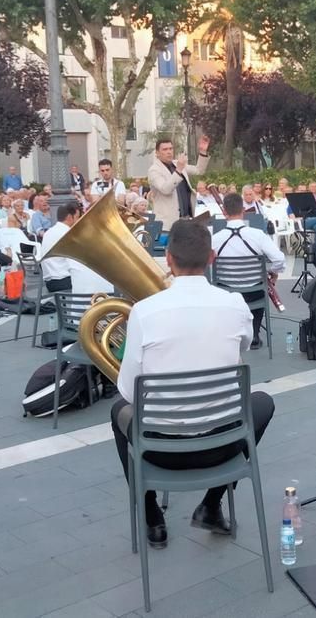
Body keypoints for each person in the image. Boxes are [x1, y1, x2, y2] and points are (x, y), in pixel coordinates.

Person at [112, 220, 275, 549]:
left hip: (160, 451)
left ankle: (150, 515)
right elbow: (242, 346)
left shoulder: (143, 311)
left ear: (168, 259)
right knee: (263, 402)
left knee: (118, 410)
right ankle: (212, 504)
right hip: (223, 444)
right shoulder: (235, 305)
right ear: (212, 257)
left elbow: (129, 392)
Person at [211, 193, 285, 350]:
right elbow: (279, 259)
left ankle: (230, 335)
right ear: (243, 210)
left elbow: (205, 263)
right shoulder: (257, 235)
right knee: (260, 285)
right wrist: (273, 271)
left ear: (224, 212)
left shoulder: (215, 238)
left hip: (226, 290)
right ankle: (255, 335)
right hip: (254, 290)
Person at [148, 136, 211, 229]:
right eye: (165, 149)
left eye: (170, 149)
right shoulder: (154, 170)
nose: (169, 152)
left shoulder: (177, 164)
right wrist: (179, 170)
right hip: (168, 222)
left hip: (186, 218)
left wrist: (202, 151)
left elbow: (199, 170)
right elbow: (165, 189)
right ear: (157, 153)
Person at [38, 203, 82, 293]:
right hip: (63, 281)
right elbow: (77, 262)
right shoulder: (67, 234)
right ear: (70, 217)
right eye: (77, 217)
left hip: (50, 281)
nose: (79, 220)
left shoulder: (49, 232)